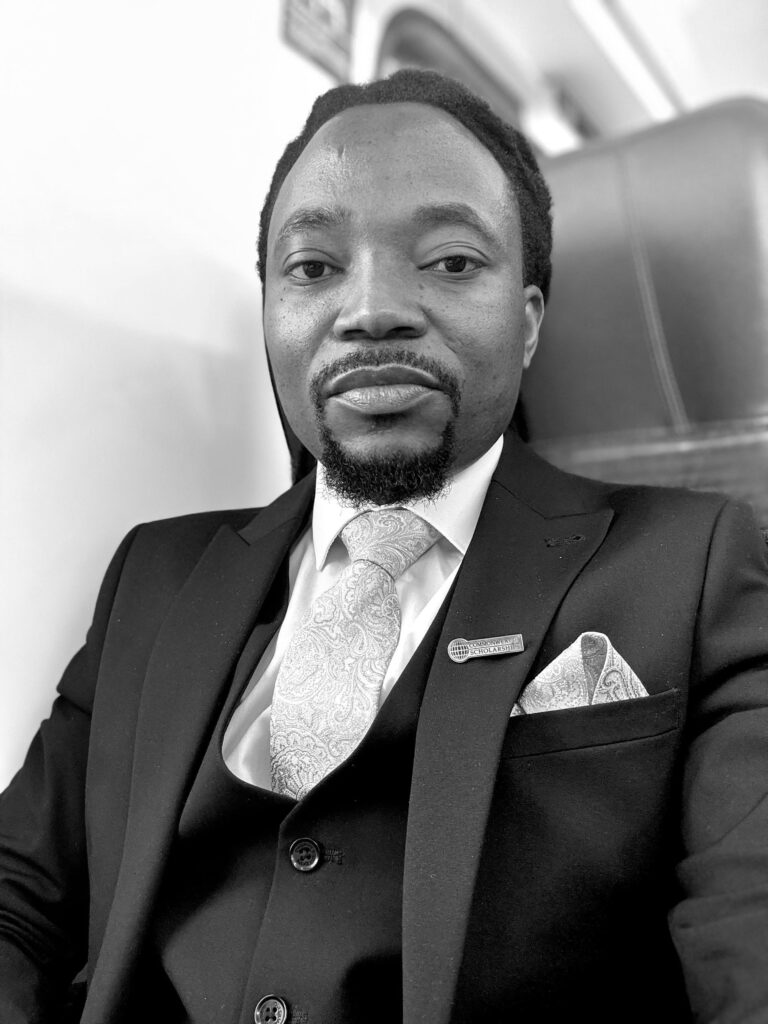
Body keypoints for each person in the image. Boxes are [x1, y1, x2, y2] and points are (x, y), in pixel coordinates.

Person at [1, 69, 767, 1024]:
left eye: (450, 261)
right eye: (313, 268)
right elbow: (19, 899)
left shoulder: (689, 565)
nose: (370, 310)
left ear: (529, 322)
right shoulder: (153, 578)